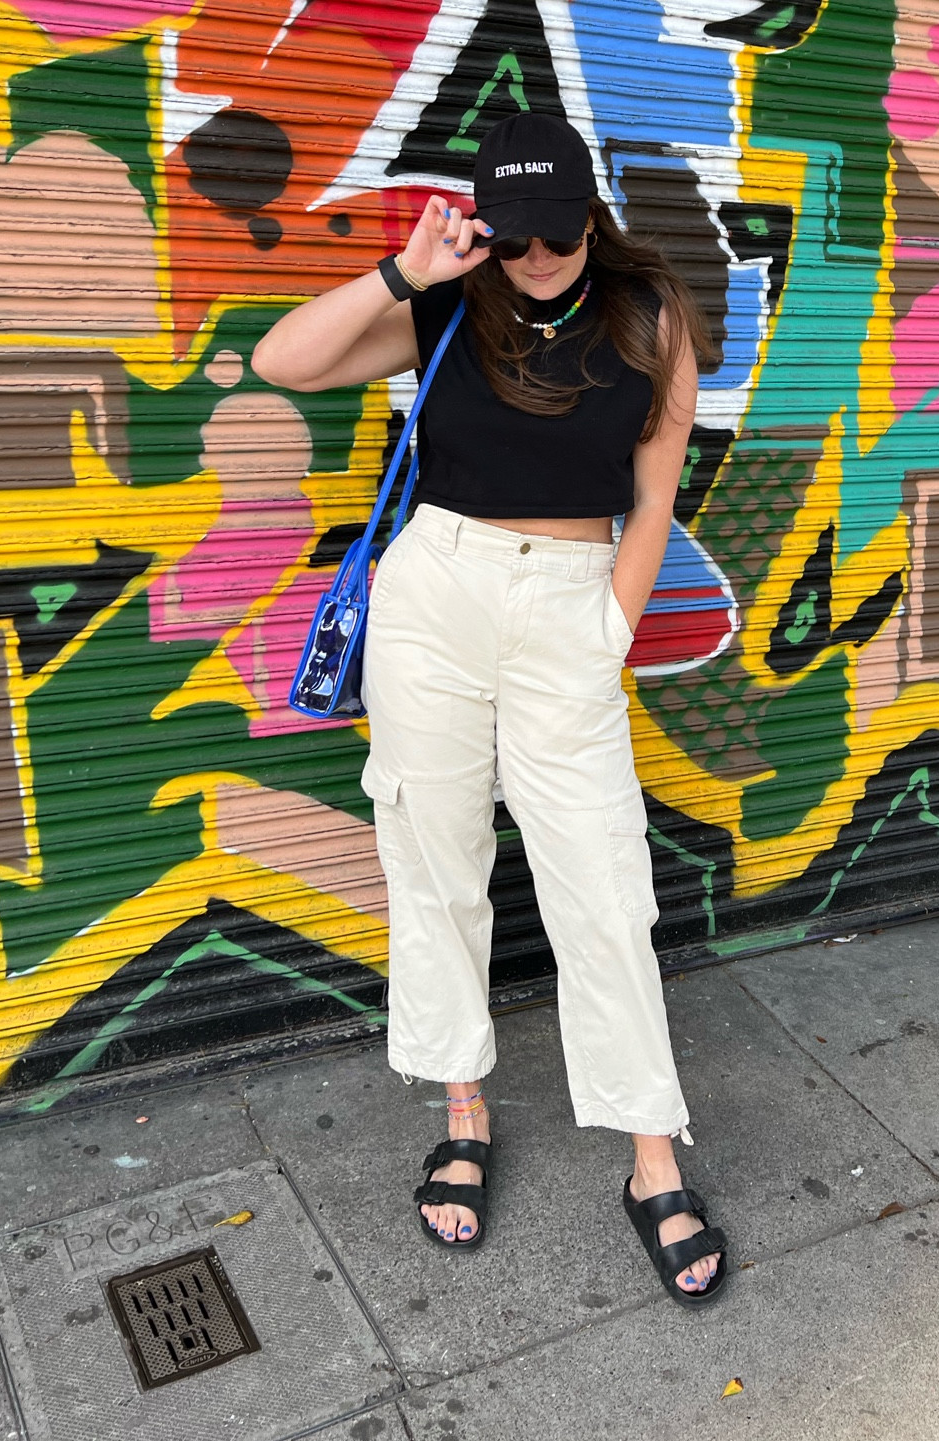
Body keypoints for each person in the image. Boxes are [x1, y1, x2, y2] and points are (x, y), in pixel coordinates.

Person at [252, 111, 729, 1303]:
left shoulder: (651, 316)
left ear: (588, 210)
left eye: (553, 230)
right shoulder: (451, 302)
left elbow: (655, 498)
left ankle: (649, 1153)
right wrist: (403, 272)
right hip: (438, 596)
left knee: (605, 884)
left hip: (571, 599)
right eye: (510, 235)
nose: (534, 255)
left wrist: (610, 626)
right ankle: (464, 1107)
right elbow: (282, 362)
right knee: (435, 859)